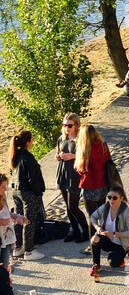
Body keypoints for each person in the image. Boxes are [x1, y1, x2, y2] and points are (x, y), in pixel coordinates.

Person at [9, 130, 46, 260]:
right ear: (28, 141)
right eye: (32, 139)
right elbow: (33, 179)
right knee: (29, 220)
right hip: (27, 192)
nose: (33, 141)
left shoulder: (16, 155)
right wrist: (38, 192)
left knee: (18, 219)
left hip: (15, 191)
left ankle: (18, 248)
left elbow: (11, 173)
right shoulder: (28, 157)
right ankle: (29, 252)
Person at [89, 185, 129, 281]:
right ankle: (96, 265)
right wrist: (97, 228)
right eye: (109, 197)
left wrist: (115, 234)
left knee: (113, 264)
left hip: (120, 243)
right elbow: (93, 217)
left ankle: (122, 256)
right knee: (94, 239)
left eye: (114, 198)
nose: (111, 200)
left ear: (121, 198)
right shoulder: (105, 207)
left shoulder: (126, 211)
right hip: (107, 239)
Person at [55, 113, 90, 244]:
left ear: (76, 125)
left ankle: (86, 232)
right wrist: (58, 156)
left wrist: (72, 156)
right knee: (68, 207)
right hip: (63, 173)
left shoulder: (80, 139)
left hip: (74, 176)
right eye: (64, 125)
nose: (66, 128)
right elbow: (58, 152)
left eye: (69, 125)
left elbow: (86, 156)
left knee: (74, 206)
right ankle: (75, 230)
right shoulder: (62, 138)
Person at [0, 174, 24, 271]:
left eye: (6, 186)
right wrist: (1, 222)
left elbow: (6, 213)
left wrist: (16, 216)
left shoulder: (2, 196)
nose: (5, 189)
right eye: (2, 187)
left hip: (6, 237)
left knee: (5, 267)